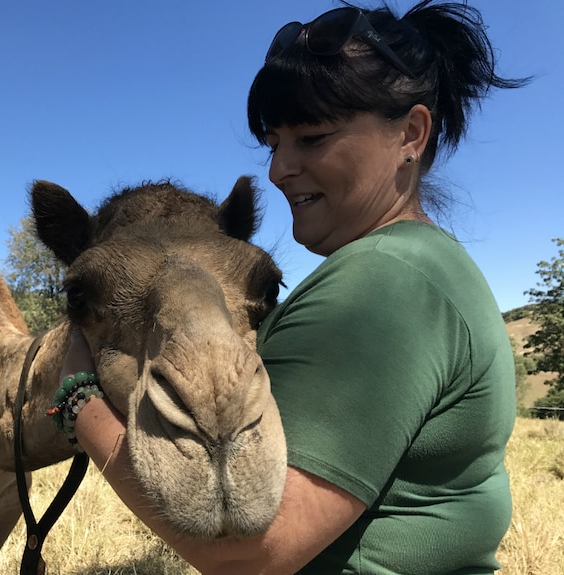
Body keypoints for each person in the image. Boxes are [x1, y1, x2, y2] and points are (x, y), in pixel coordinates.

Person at [59, 1, 530, 573]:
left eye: (311, 137)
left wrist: (77, 398)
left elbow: (252, 557)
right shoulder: (429, 263)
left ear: (411, 133)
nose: (279, 169)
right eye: (273, 142)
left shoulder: (385, 284)